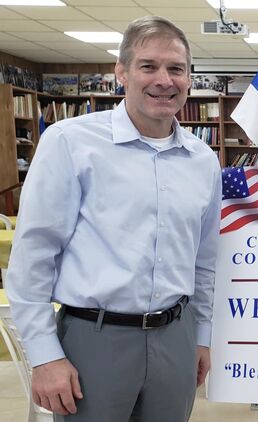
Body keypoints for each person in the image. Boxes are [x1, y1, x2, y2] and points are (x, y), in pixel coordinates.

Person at [6, 16, 221, 421]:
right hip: (93, 340)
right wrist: (45, 355)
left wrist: (202, 336)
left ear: (189, 78)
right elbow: (33, 256)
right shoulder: (70, 143)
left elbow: (204, 262)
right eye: (148, 66)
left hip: (176, 336)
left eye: (176, 69)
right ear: (121, 73)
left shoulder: (203, 160)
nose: (164, 80)